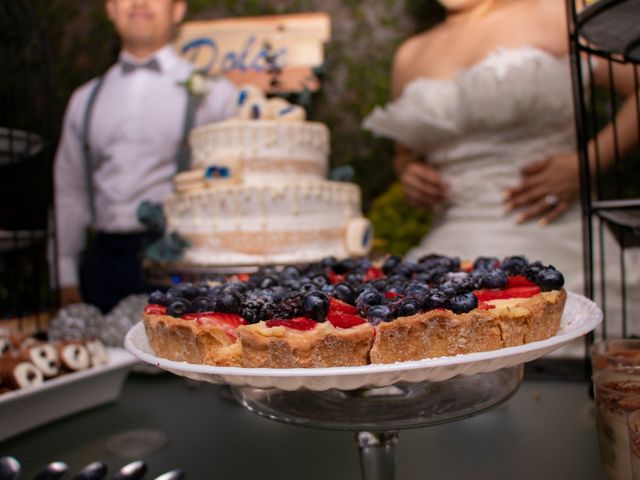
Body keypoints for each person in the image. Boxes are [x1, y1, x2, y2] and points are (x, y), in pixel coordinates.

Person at [363, 0, 640, 337]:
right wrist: (409, 174)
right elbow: (405, 154)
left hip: (554, 233)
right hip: (450, 250)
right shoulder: (410, 53)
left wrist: (587, 163)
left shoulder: (556, 11)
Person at [55, 0, 237, 313]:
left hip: (183, 265)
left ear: (177, 9)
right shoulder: (84, 99)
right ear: (111, 8)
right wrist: (65, 272)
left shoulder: (217, 93)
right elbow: (71, 187)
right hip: (102, 267)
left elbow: (234, 187)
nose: (139, 2)